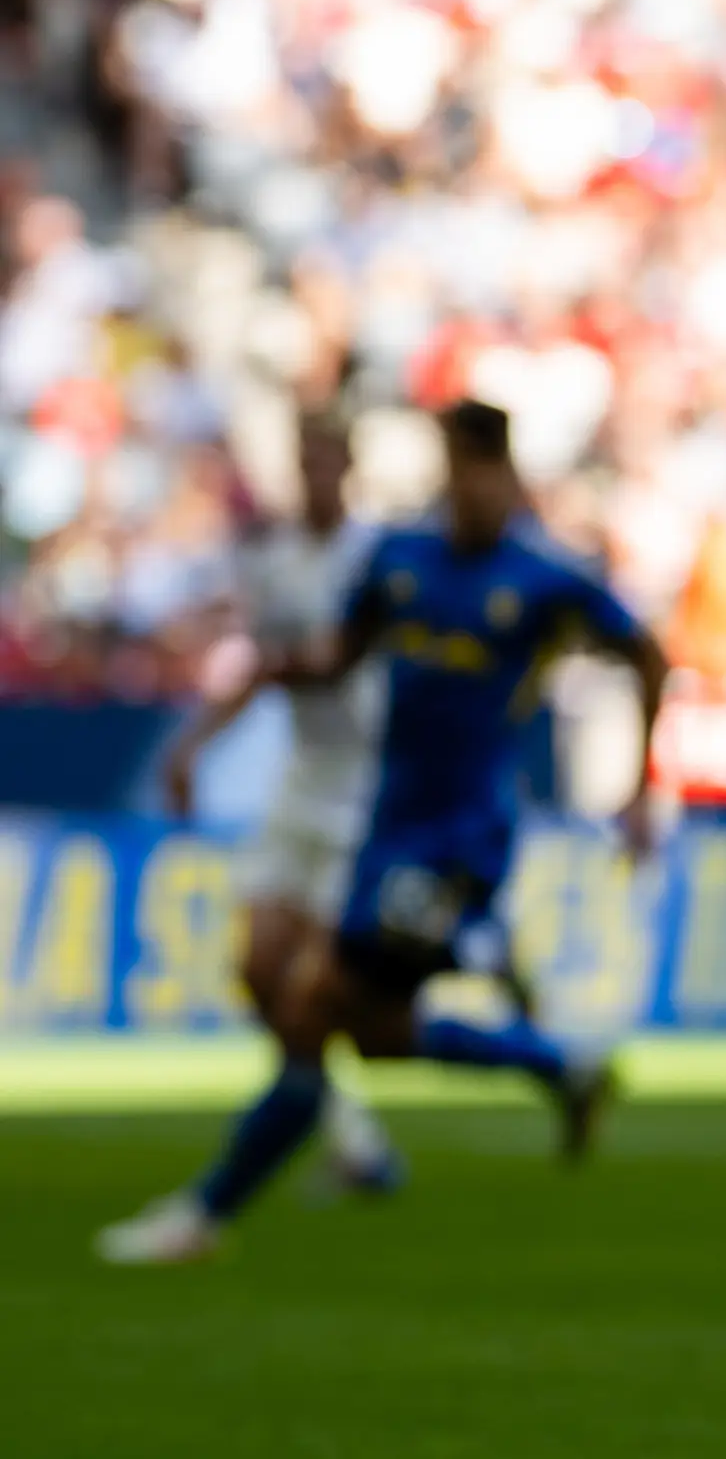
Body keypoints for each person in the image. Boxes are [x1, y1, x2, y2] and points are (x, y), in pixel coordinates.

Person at [99, 401, 666, 1265]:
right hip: (384, 824)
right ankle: (554, 1060)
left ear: (508, 477)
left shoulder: (548, 579)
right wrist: (271, 672)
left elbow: (647, 655)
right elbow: (339, 655)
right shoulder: (402, 564)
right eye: (455, 467)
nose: (469, 489)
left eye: (482, 470)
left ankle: (205, 1214)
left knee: (312, 1003)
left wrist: (638, 788)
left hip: (463, 837)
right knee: (371, 1031)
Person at [152, 406, 405, 1199]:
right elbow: (262, 666)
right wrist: (194, 744)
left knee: (323, 992)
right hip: (304, 779)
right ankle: (346, 1127)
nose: (315, 475)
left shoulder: (383, 558)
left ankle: (524, 1056)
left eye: (327, 459)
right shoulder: (274, 562)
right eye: (305, 460)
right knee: (260, 968)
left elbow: (319, 664)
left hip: (369, 788)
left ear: (351, 466)